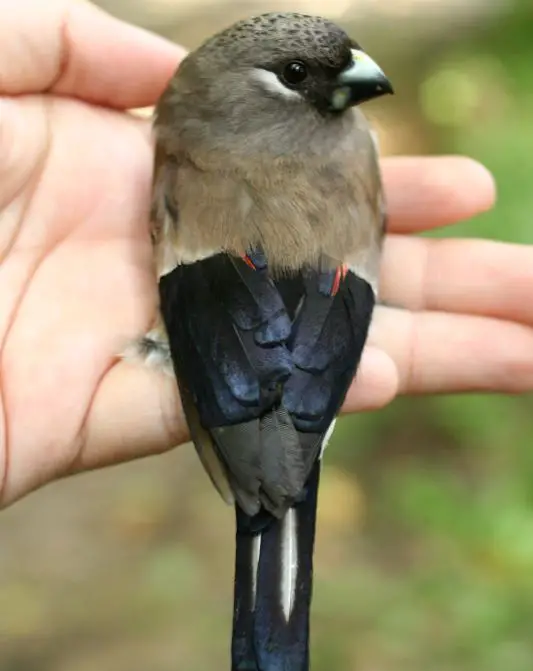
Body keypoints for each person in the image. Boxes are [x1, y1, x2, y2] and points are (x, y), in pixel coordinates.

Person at [0, 0, 532, 507]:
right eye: (298, 75)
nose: (362, 76)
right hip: (235, 329)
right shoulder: (187, 156)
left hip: (289, 322)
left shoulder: (345, 142)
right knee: (274, 486)